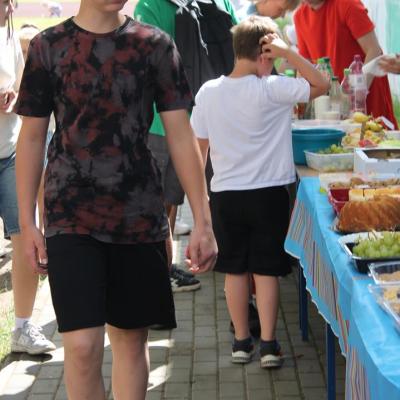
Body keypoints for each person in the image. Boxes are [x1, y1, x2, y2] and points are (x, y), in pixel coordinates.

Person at [15, 0, 217, 398]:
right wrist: (27, 221)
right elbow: (32, 137)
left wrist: (203, 220)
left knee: (130, 339)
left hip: (137, 213)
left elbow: (180, 134)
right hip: (69, 213)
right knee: (81, 347)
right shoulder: (47, 46)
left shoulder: (154, 44)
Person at [191, 15, 328, 367]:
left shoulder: (208, 92)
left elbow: (199, 150)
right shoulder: (274, 88)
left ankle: (241, 342)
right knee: (266, 271)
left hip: (225, 195)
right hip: (269, 195)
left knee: (235, 270)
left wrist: (201, 201)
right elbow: (322, 83)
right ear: (265, 53)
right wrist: (290, 53)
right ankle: (268, 345)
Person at [134, 0, 237, 293]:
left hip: (164, 122)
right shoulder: (218, 1)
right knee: (193, 197)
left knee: (160, 206)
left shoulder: (150, 5)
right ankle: (187, 264)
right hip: (213, 118)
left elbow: (144, 64)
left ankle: (160, 271)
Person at [0, 0, 55, 355]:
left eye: (10, 3)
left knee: (24, 234)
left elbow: (21, 85)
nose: (8, 9)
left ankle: (22, 327)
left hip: (10, 153)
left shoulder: (8, 35)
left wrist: (13, 97)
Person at [294, 0, 398, 128]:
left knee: (377, 136)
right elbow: (304, 66)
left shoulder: (347, 4)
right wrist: (299, 100)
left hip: (367, 95)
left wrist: (356, 97)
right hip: (333, 103)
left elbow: (374, 51)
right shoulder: (300, 16)